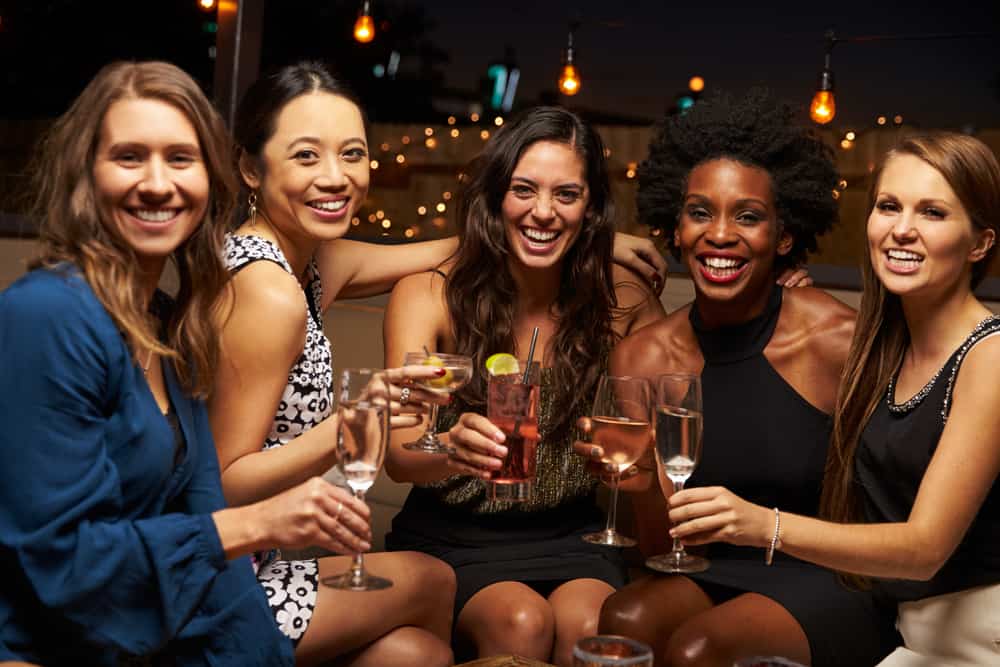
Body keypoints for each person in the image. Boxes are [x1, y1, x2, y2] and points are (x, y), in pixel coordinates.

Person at [0, 60, 300, 666]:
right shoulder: (47, 316)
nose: (158, 184)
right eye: (130, 157)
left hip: (137, 633)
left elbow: (206, 510)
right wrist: (253, 526)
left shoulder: (172, 323)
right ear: (87, 177)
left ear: (210, 180)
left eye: (181, 159)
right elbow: (62, 560)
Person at [667, 131, 1000, 667]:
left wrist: (763, 525)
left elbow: (924, 549)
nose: (902, 230)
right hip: (901, 623)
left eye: (933, 213)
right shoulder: (884, 341)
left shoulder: (991, 356)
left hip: (973, 635)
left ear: (980, 243)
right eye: (889, 206)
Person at [592, 90, 901, 667]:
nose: (721, 234)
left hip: (827, 570)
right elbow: (663, 549)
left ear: (783, 237)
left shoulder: (836, 339)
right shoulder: (641, 357)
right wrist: (636, 488)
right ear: (675, 229)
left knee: (696, 649)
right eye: (700, 212)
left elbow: (892, 508)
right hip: (708, 567)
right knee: (622, 621)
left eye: (749, 216)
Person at [382, 105, 666, 666]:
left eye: (566, 194)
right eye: (524, 190)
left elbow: (681, 382)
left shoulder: (623, 304)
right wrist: (450, 449)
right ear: (495, 198)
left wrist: (778, 292)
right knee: (522, 624)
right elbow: (398, 455)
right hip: (457, 536)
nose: (543, 212)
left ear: (590, 209)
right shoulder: (429, 297)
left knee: (593, 629)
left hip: (573, 533)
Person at [210, 61, 469, 666]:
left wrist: (591, 241)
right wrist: (349, 427)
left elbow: (461, 249)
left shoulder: (311, 264)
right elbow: (219, 482)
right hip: (228, 576)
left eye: (352, 154)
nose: (336, 177)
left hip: (278, 556)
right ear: (251, 167)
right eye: (306, 156)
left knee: (418, 655)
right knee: (434, 579)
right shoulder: (268, 292)